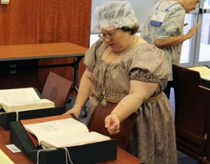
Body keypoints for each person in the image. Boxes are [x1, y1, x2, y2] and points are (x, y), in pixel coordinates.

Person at [65, 1, 177, 164]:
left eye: (111, 34)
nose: (106, 39)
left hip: (136, 120)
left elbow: (136, 95)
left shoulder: (146, 55)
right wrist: (77, 107)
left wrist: (117, 115)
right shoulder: (101, 47)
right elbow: (89, 76)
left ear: (129, 28)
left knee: (130, 158)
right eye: (103, 34)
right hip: (104, 115)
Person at [140, 0, 201, 98]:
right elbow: (159, 41)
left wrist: (176, 31)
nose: (195, 7)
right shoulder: (178, 10)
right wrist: (186, 36)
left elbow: (154, 30)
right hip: (161, 70)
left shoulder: (160, 4)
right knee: (160, 108)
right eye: (196, 2)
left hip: (145, 65)